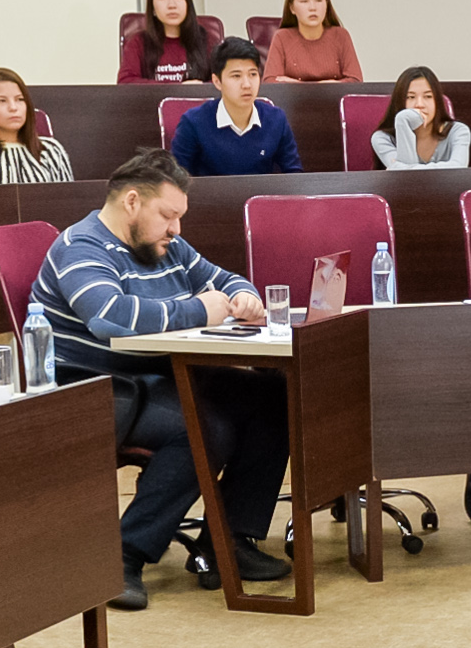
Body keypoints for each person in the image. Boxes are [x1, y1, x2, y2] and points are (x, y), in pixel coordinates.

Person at [32, 150, 289, 611]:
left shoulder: (166, 246)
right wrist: (200, 310)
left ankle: (228, 541)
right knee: (203, 428)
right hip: (94, 387)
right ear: (132, 202)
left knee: (274, 394)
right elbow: (110, 317)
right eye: (168, 216)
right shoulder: (81, 246)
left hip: (157, 373)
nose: (177, 229)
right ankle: (123, 556)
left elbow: (223, 278)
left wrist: (243, 296)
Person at [169, 37, 301, 176]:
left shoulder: (276, 119)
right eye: (236, 76)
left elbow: (293, 173)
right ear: (217, 81)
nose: (247, 84)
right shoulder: (193, 122)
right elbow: (175, 179)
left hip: (261, 190)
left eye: (253, 74)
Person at [262, 0, 362, 83]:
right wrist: (319, 88)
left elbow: (356, 81)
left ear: (327, 4)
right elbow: (270, 81)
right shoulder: (282, 37)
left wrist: (297, 85)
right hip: (299, 97)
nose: (313, 7)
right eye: (304, 1)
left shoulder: (340, 36)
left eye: (318, 0)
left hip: (332, 95)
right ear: (292, 8)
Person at [118, 0, 214, 84]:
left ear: (187, 4)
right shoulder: (138, 42)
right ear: (152, 8)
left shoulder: (206, 40)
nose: (172, 5)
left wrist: (201, 88)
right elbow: (126, 82)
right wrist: (178, 88)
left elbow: (223, 82)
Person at [372, 66, 468, 169]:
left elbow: (458, 167)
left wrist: (401, 167)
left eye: (428, 96)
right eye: (411, 97)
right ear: (399, 101)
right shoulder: (382, 138)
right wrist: (403, 121)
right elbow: (405, 177)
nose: (419, 104)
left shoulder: (458, 131)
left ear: (437, 101)